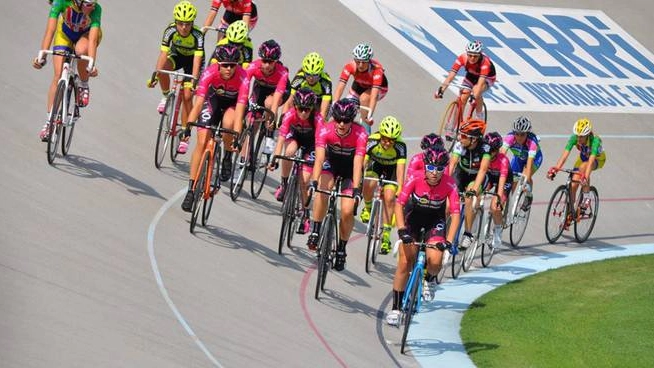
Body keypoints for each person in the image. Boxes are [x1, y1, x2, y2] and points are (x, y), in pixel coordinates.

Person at [386, 147, 460, 326]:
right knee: (404, 263)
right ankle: (396, 308)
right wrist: (402, 229)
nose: (435, 174)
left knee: (435, 261)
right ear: (425, 167)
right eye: (431, 168)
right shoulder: (415, 178)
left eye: (439, 169)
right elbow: (399, 204)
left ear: (445, 169)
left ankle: (429, 279)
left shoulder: (450, 184)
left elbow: (456, 214)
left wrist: (449, 242)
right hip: (413, 219)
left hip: (435, 222)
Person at [180, 44, 249, 211]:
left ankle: (226, 156)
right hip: (213, 101)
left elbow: (239, 113)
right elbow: (197, 105)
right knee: (202, 141)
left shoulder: (243, 78)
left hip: (232, 106)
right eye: (225, 65)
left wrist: (237, 138)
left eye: (232, 65)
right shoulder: (209, 72)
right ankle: (191, 189)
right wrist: (188, 126)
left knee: (228, 124)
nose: (229, 69)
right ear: (218, 64)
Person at [306, 98, 368, 271]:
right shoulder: (325, 129)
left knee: (347, 211)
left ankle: (341, 248)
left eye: (346, 120)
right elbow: (319, 158)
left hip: (350, 170)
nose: (341, 123)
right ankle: (316, 230)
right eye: (338, 119)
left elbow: (358, 162)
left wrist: (356, 189)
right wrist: (314, 181)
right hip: (331, 164)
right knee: (323, 190)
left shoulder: (360, 133)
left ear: (352, 120)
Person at [34, 0, 102, 141]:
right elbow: (50, 30)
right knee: (58, 75)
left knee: (80, 50)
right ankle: (49, 122)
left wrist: (91, 63)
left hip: (86, 35)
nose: (92, 6)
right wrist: (42, 55)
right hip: (64, 34)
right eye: (89, 4)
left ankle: (83, 84)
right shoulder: (61, 2)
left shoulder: (96, 9)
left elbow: (93, 40)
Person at [146, 1, 205, 154]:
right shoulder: (170, 30)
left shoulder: (198, 35)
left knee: (187, 96)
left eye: (187, 24)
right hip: (177, 56)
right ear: (176, 22)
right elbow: (163, 54)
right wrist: (156, 75)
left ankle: (186, 133)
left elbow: (197, 61)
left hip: (192, 63)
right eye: (180, 23)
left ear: (192, 23)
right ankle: (166, 96)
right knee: (163, 70)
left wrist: (193, 81)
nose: (184, 27)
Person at [269, 88, 326, 234]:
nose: (303, 113)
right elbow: (281, 140)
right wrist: (275, 159)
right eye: (300, 109)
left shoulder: (318, 120)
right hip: (295, 137)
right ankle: (284, 183)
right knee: (288, 152)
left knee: (305, 180)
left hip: (311, 144)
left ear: (312, 108)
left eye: (307, 110)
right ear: (295, 107)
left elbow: (320, 149)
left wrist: (317, 172)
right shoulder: (289, 115)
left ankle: (306, 214)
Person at [359, 116, 407, 254]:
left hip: (391, 169)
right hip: (376, 165)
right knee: (369, 182)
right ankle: (367, 208)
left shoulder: (400, 146)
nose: (387, 143)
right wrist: (360, 178)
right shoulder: (372, 140)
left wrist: (401, 188)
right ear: (380, 135)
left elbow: (400, 169)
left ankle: (386, 235)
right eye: (385, 138)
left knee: (390, 197)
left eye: (391, 140)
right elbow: (364, 161)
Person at [547, 118, 606, 212]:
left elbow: (590, 162)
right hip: (583, 158)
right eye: (577, 136)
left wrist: (585, 178)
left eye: (581, 137)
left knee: (583, 167)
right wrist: (555, 170)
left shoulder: (595, 141)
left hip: (597, 159)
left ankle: (587, 197)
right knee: (573, 184)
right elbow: (564, 156)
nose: (578, 139)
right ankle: (570, 213)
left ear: (587, 135)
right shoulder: (574, 138)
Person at [447, 118, 490, 250]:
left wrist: (474, 189)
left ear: (474, 139)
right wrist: (445, 184)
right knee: (448, 204)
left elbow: (483, 170)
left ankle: (468, 233)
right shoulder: (460, 145)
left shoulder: (485, 148)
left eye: (464, 135)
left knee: (468, 196)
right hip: (462, 172)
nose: (460, 138)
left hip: (477, 176)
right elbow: (452, 164)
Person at [246, 40, 290, 158]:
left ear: (275, 62)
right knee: (252, 121)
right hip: (260, 88)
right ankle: (244, 159)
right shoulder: (253, 66)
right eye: (264, 61)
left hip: (277, 92)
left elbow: (276, 100)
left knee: (269, 103)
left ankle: (269, 135)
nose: (266, 65)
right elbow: (244, 87)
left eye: (270, 62)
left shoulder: (282, 73)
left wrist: (273, 117)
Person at [333, 43, 389, 132]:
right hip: (360, 85)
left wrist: (369, 115)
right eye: (358, 61)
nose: (361, 65)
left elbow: (373, 96)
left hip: (379, 89)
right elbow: (340, 87)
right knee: (342, 109)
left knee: (364, 99)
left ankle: (365, 133)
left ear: (369, 61)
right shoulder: (350, 66)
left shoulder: (376, 70)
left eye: (364, 62)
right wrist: (334, 104)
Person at [435, 40, 496, 120]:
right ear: (467, 53)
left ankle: (479, 116)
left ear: (480, 54)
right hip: (471, 75)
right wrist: (442, 89)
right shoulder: (462, 58)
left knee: (476, 90)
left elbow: (480, 83)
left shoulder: (485, 63)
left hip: (487, 78)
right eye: (470, 55)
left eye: (475, 56)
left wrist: (474, 96)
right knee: (463, 97)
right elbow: (451, 76)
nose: (472, 58)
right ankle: (454, 125)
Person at [500, 116, 543, 211]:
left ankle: (528, 196)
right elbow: (501, 155)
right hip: (519, 158)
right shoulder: (510, 137)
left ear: (527, 134)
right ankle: (506, 207)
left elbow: (529, 163)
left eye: (522, 134)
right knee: (511, 182)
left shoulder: (532, 142)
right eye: (517, 134)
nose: (519, 137)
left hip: (534, 159)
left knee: (525, 176)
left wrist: (526, 179)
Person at [482, 132, 513, 248]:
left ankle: (498, 229)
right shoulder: (484, 155)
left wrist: (499, 198)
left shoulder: (503, 160)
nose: (489, 153)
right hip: (490, 177)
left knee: (495, 207)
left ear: (498, 149)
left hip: (504, 181)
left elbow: (502, 182)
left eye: (493, 151)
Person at [283, 52, 333, 119]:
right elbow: (288, 102)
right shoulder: (299, 78)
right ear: (304, 72)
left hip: (319, 102)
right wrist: (283, 119)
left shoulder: (326, 82)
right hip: (303, 100)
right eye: (308, 74)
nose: (311, 78)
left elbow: (323, 111)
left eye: (315, 75)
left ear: (320, 73)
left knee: (319, 120)